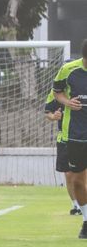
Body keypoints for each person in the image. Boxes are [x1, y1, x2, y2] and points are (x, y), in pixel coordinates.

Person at [51, 39, 87, 239]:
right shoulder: (68, 70)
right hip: (75, 135)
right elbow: (57, 91)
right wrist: (67, 101)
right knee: (78, 181)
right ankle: (86, 220)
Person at [45, 87, 82, 215]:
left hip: (83, 138)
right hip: (64, 138)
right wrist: (54, 116)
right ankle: (76, 205)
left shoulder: (82, 87)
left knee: (82, 175)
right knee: (68, 174)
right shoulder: (56, 92)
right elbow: (48, 113)